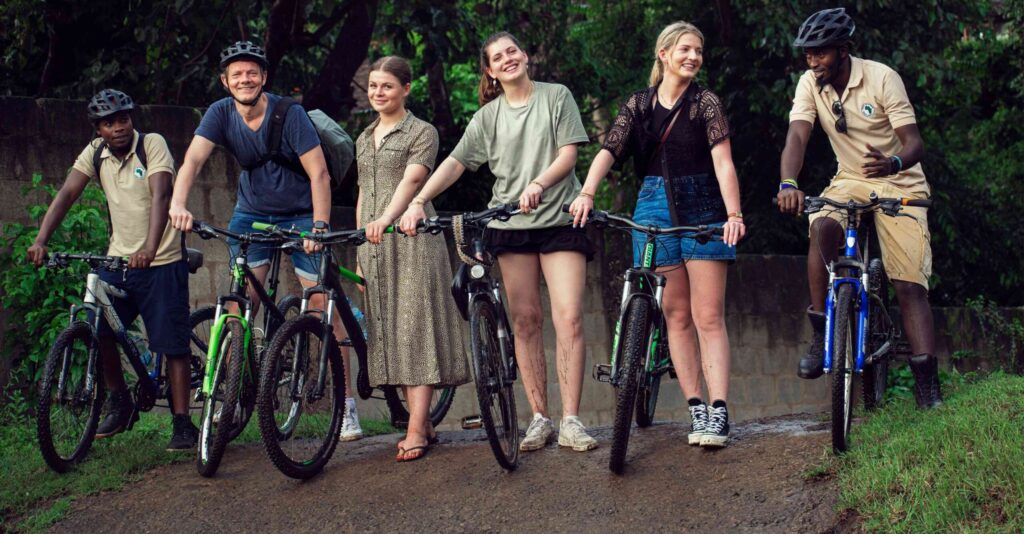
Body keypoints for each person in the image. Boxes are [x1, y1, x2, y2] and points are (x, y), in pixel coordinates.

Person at [399, 32, 598, 452]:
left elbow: (568, 155)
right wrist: (418, 201)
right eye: (498, 57)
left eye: (512, 51)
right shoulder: (487, 117)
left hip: (559, 219)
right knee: (525, 321)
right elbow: (455, 163)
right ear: (490, 71)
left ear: (524, 56)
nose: (507, 59)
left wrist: (538, 184)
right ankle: (540, 418)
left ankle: (571, 420)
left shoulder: (556, 96)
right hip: (511, 225)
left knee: (569, 317)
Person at [167, 41, 364, 440]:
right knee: (241, 304)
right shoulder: (220, 113)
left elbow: (319, 174)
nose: (245, 79)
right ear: (225, 82)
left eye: (252, 73)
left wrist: (319, 226)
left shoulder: (289, 114)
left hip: (302, 214)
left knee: (321, 306)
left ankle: (346, 406)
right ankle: (231, 396)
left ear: (264, 78)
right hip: (252, 214)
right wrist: (178, 204)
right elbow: (192, 161)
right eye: (237, 74)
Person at [569, 21, 745, 448]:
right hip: (653, 205)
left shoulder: (705, 103)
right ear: (663, 54)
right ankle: (696, 406)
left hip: (704, 206)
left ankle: (719, 410)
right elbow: (609, 150)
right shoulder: (639, 105)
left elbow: (723, 162)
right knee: (676, 315)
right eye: (685, 49)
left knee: (708, 315)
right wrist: (587, 192)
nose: (693, 57)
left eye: (698, 51)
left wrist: (734, 213)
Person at [776, 8, 942, 408]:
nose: (813, 61)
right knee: (821, 228)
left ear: (843, 49)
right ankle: (822, 333)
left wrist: (894, 162)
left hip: (899, 181)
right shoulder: (810, 83)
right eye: (808, 54)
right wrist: (788, 182)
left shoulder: (882, 78)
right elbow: (797, 135)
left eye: (820, 52)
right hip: (851, 179)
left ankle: (928, 390)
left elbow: (914, 143)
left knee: (908, 286)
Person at [27, 89, 198, 450]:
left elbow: (161, 195)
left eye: (123, 119)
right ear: (98, 129)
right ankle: (119, 401)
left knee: (172, 343)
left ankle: (183, 422)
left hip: (162, 260)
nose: (118, 127)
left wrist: (150, 248)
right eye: (109, 123)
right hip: (118, 260)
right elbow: (67, 194)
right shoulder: (95, 153)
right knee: (99, 327)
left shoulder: (151, 144)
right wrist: (41, 240)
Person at [355, 56, 471, 462]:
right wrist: (360, 244)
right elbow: (362, 192)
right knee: (390, 334)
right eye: (373, 86)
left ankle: (415, 428)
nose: (378, 93)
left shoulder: (422, 132)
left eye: (387, 86)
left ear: (405, 89)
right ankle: (423, 422)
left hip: (411, 238)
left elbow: (414, 180)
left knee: (415, 330)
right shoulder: (363, 137)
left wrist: (386, 218)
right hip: (375, 243)